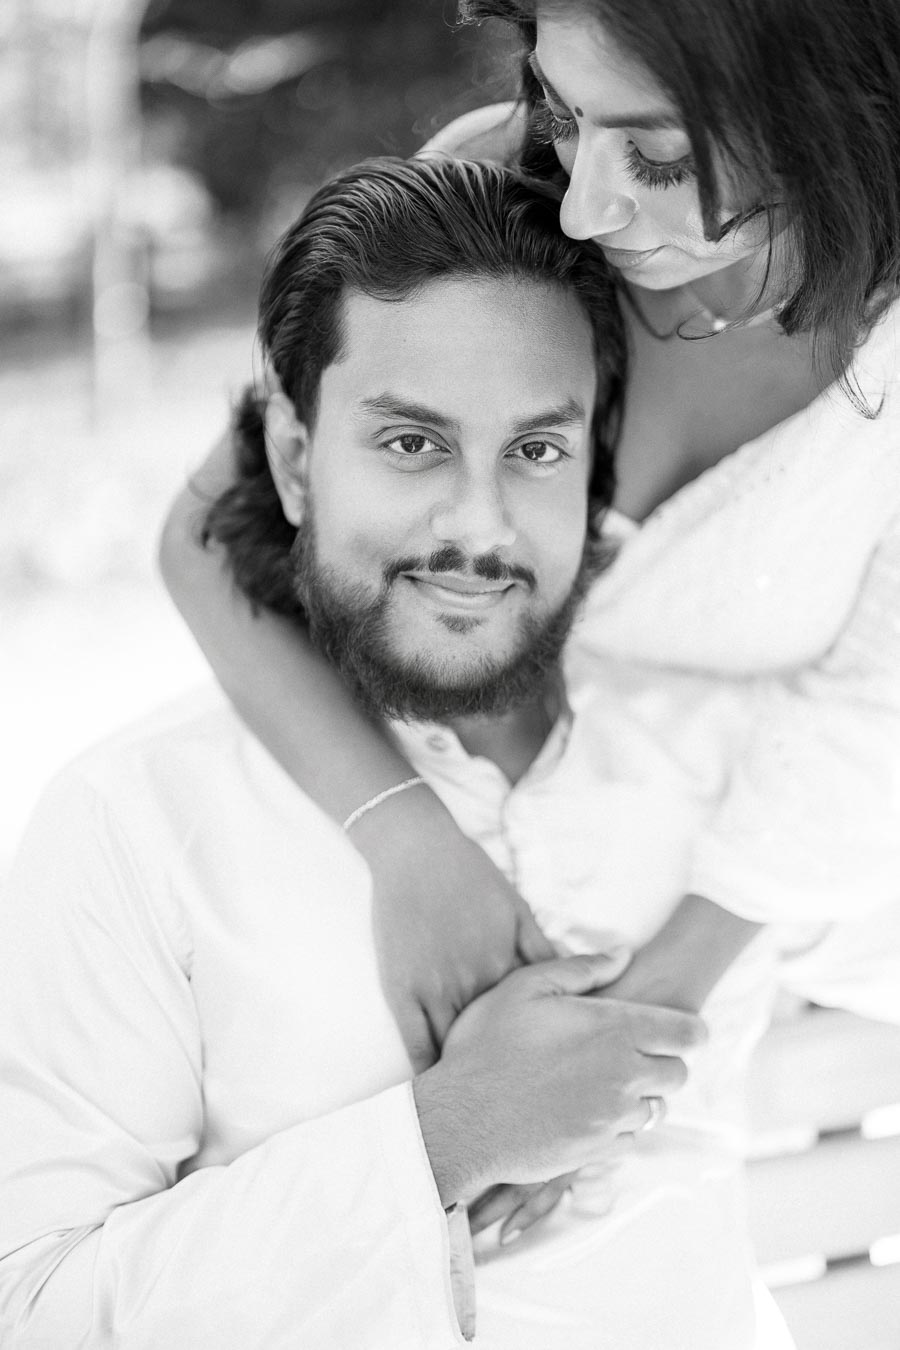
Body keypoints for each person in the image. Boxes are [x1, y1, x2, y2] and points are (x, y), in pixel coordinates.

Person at [0, 154, 785, 1350]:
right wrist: (443, 1137)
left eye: (535, 451)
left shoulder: (726, 764)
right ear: (296, 461)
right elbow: (35, 1308)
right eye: (413, 444)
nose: (479, 525)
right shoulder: (137, 820)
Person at [160, 0, 900, 1075]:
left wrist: (624, 1034)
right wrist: (409, 845)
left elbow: (872, 720)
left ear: (835, 113)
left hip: (765, 930)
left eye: (653, 155)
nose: (589, 209)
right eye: (564, 111)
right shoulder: (501, 190)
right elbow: (208, 537)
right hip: (443, 848)